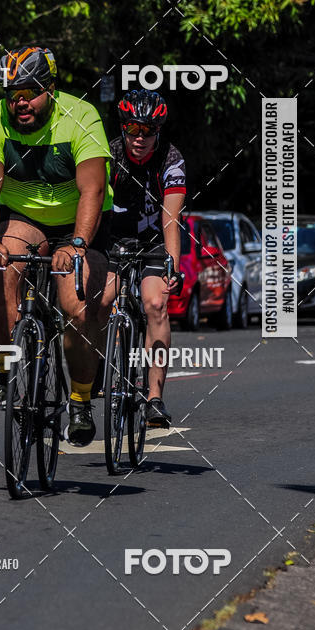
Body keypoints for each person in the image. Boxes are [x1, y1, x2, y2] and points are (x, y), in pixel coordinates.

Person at [0, 44, 111, 446]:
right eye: (12, 94)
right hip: (25, 216)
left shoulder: (81, 116)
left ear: (50, 89)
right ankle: (4, 372)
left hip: (78, 220)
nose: (21, 102)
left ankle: (80, 399)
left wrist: (78, 244)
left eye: (30, 92)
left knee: (77, 306)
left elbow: (92, 191)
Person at [98, 89, 185, 428]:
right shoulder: (109, 154)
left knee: (155, 304)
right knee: (101, 299)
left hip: (152, 242)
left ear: (158, 131)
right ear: (123, 127)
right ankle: (97, 368)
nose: (140, 138)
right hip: (113, 240)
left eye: (148, 131)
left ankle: (154, 398)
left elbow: (171, 218)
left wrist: (172, 264)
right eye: (133, 129)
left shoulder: (170, 158)